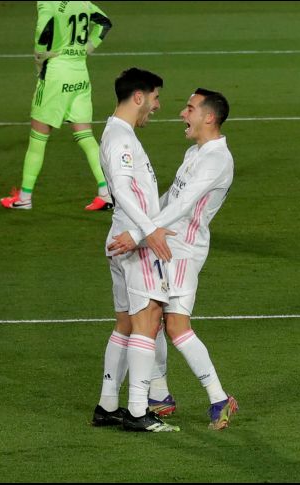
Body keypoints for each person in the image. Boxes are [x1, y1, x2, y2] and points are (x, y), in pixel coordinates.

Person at [108, 88, 238, 430]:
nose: (183, 113)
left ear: (209, 117)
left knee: (175, 326)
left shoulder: (216, 160)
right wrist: (143, 222)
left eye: (190, 108)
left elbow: (182, 206)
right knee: (151, 318)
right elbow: (171, 197)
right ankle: (160, 394)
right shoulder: (196, 152)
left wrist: (138, 233)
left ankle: (218, 398)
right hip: (167, 243)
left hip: (183, 251)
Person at [92, 67, 179, 432]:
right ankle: (139, 411)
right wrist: (148, 230)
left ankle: (108, 405)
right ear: (139, 97)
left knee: (126, 324)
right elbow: (124, 191)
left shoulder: (117, 134)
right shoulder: (120, 139)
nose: (157, 106)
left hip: (122, 236)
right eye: (155, 98)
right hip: (134, 242)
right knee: (148, 322)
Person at [0, 1, 114, 211]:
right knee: (85, 136)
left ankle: (24, 198)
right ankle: (106, 193)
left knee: (38, 138)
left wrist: (40, 57)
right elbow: (105, 23)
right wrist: (87, 48)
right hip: (80, 73)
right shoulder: (83, 2)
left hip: (56, 74)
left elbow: (43, 30)